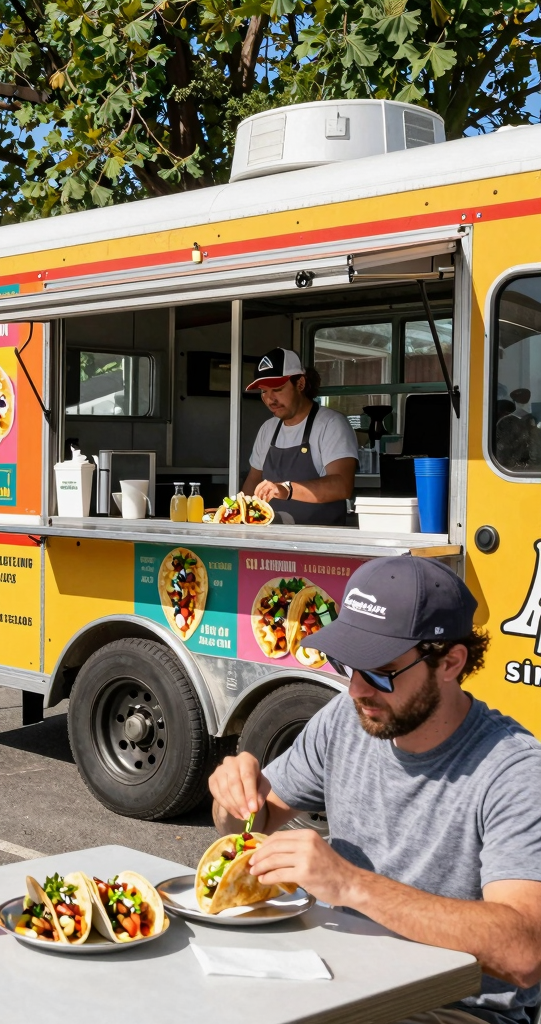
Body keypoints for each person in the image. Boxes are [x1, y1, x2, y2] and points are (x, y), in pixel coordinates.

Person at [209, 556, 541, 1024]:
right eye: (347, 663)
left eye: (380, 671)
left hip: (455, 1008)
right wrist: (232, 799)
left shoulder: (513, 769)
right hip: (337, 978)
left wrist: (349, 885)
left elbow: (524, 953)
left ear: (450, 661)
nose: (356, 690)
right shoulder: (347, 720)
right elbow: (253, 821)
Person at [241, 347, 359, 525]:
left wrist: (286, 489)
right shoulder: (268, 428)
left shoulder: (331, 424)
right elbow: (253, 479)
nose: (270, 399)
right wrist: (240, 515)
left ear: (300, 384)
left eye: (278, 389)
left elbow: (342, 485)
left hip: (318, 541)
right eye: (264, 392)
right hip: (270, 540)